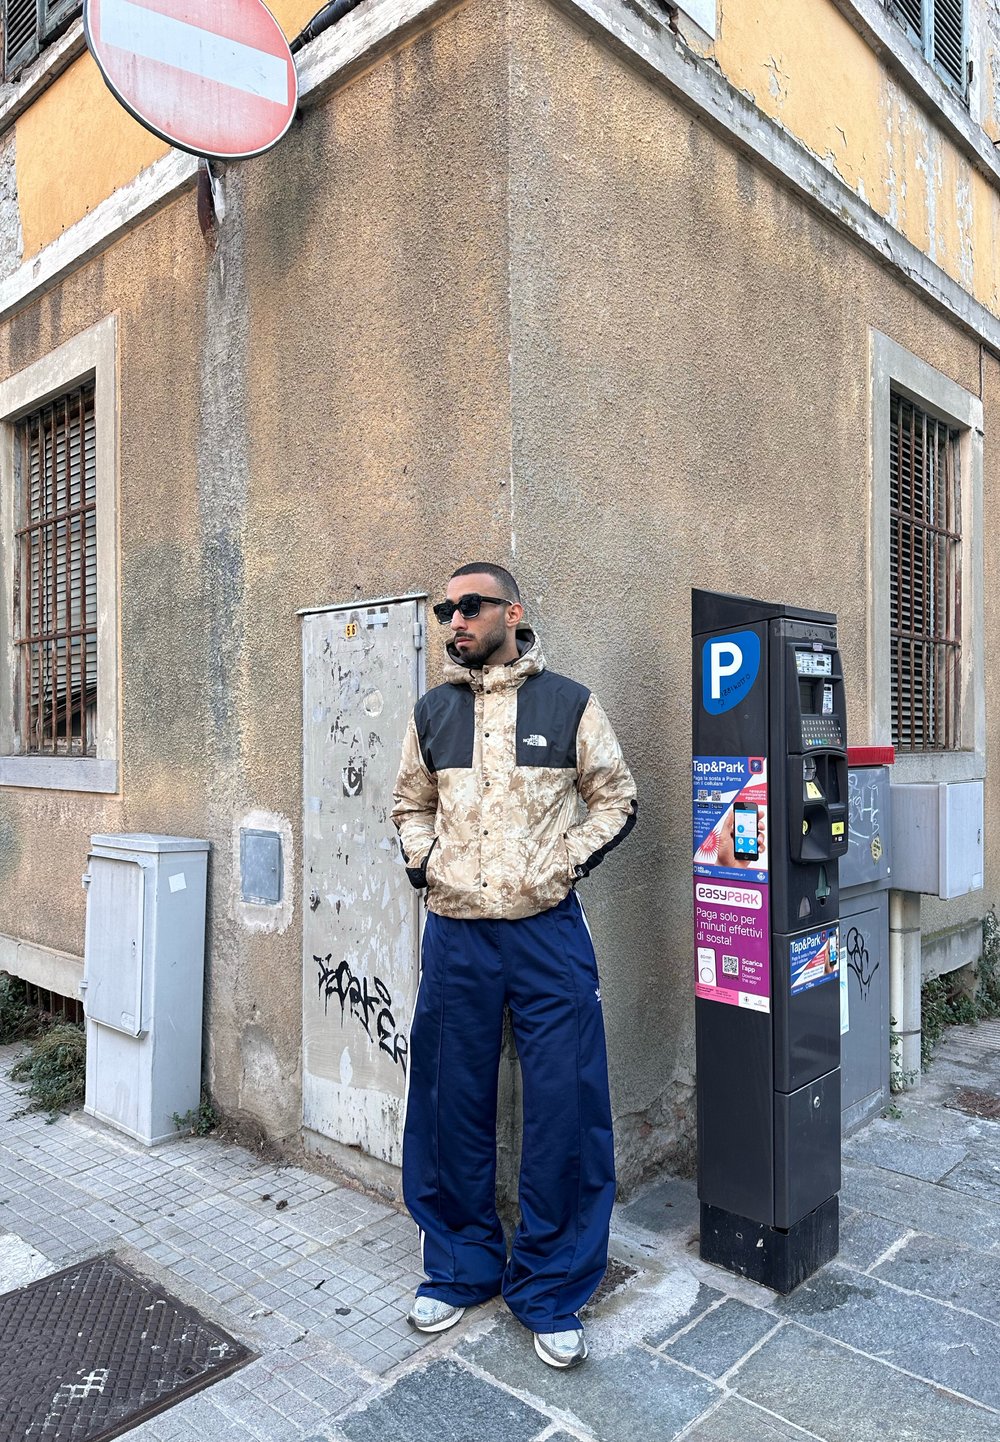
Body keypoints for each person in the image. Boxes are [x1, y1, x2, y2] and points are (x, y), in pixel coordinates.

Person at [391, 563, 637, 1369]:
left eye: (469, 606)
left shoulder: (570, 702)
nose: (454, 621)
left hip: (546, 933)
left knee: (565, 1103)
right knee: (449, 1099)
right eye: (444, 611)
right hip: (457, 933)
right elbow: (409, 803)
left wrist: (563, 863)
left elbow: (616, 796)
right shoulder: (433, 712)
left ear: (512, 612)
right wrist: (427, 865)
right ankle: (458, 1268)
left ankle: (552, 1287)